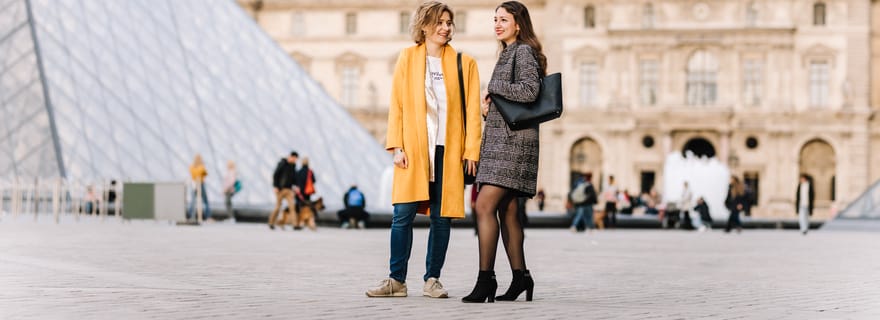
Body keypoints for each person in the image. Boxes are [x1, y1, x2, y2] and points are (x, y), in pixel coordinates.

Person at [365, 1, 482, 299]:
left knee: (441, 218)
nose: (445, 27)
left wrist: (471, 151)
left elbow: (471, 111)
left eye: (448, 22)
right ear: (424, 26)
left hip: (448, 150)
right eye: (440, 22)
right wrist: (397, 146)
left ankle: (432, 279)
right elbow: (398, 106)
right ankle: (396, 280)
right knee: (401, 215)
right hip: (415, 151)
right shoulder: (407, 58)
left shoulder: (463, 63)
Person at [462, 1, 545, 303]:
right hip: (505, 140)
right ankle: (521, 277)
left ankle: (486, 280)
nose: (497, 24)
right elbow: (514, 101)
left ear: (519, 24)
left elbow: (529, 91)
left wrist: (495, 86)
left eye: (504, 19)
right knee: (507, 211)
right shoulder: (508, 52)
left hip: (512, 145)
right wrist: (489, 110)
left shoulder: (521, 51)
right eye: (495, 19)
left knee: (483, 207)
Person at [269, 151, 299, 230]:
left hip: (289, 190)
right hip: (280, 189)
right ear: (291, 157)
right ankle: (271, 222)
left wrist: (296, 186)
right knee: (278, 207)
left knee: (292, 207)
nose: (295, 160)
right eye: (294, 158)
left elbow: (294, 178)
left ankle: (295, 225)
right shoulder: (282, 164)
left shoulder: (293, 166)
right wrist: (275, 186)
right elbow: (276, 175)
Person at [294, 156, 317, 229]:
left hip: (299, 193)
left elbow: (295, 181)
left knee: (299, 208)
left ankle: (299, 223)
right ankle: (310, 223)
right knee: (308, 208)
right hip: (307, 193)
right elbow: (313, 181)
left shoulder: (298, 171)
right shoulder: (310, 172)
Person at [187, 154, 211, 221]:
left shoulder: (192, 167)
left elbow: (193, 174)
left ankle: (191, 216)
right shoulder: (201, 166)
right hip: (200, 183)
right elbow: (205, 173)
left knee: (193, 201)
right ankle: (208, 216)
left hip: (194, 184)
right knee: (205, 201)